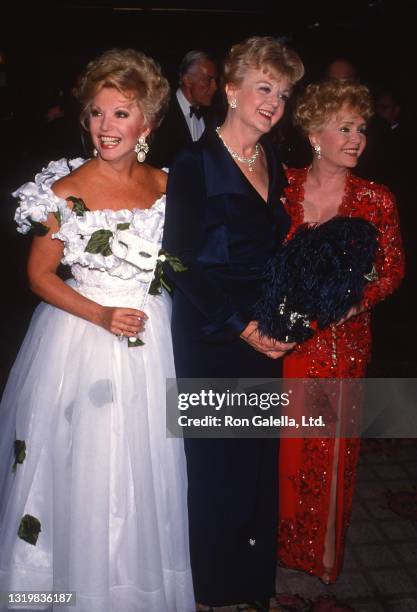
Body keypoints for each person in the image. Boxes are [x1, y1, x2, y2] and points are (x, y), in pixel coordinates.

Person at [0, 48, 195, 612]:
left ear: (148, 125)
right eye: (96, 113)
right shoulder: (60, 192)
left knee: (146, 463)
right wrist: (102, 315)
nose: (105, 127)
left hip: (152, 337)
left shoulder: (167, 185)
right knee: (83, 469)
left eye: (120, 114)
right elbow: (38, 276)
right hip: (82, 339)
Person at [163, 36, 304, 610]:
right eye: (265, 87)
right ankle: (209, 589)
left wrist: (283, 316)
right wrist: (243, 327)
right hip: (211, 331)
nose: (274, 102)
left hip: (262, 331)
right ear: (231, 89)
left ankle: (251, 585)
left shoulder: (271, 158)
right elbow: (177, 263)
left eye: (284, 93)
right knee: (214, 465)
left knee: (255, 460)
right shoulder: (196, 161)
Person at [278, 79, 405, 584]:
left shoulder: (376, 199)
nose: (357, 139)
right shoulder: (281, 188)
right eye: (345, 128)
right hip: (282, 342)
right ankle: (275, 544)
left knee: (328, 448)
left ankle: (321, 552)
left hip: (341, 346)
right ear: (314, 133)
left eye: (362, 129)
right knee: (281, 444)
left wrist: (354, 303)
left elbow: (392, 271)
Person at [147, 50, 218, 168]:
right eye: (208, 79)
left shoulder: (213, 117)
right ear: (188, 80)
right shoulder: (160, 113)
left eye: (215, 80)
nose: (214, 87)